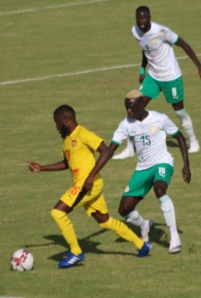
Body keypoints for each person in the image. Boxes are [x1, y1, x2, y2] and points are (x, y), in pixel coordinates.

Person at [27, 104, 151, 269]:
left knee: (57, 212)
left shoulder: (83, 134)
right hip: (88, 184)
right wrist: (42, 168)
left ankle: (76, 252)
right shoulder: (66, 140)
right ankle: (142, 245)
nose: (56, 127)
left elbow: (106, 151)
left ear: (66, 120)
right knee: (105, 221)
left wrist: (91, 176)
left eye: (57, 123)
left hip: (87, 185)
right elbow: (67, 163)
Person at [113, 6, 201, 160]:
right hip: (153, 76)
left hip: (171, 77)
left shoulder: (162, 32)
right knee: (134, 107)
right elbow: (145, 49)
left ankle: (193, 141)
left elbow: (185, 45)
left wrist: (199, 67)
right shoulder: (135, 31)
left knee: (179, 111)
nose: (141, 21)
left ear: (150, 17)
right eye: (139, 18)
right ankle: (130, 148)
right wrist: (143, 69)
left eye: (144, 18)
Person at [107, 90, 191, 254]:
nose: (128, 112)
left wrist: (186, 165)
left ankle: (174, 237)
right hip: (142, 168)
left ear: (141, 105)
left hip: (162, 162)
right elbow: (110, 149)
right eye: (126, 108)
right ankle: (144, 224)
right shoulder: (125, 124)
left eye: (131, 108)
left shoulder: (160, 118)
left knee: (160, 190)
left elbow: (180, 138)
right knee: (124, 210)